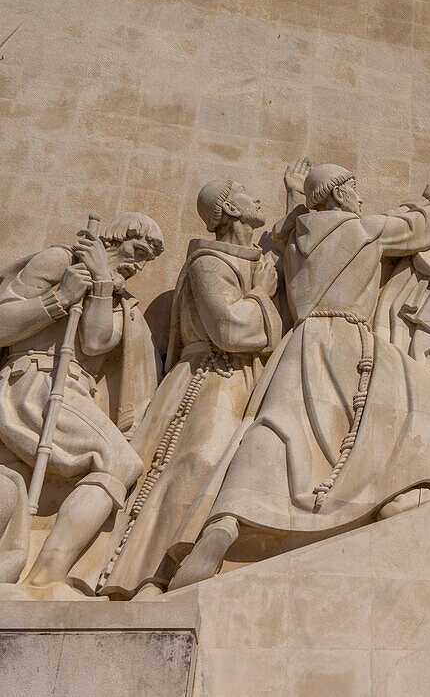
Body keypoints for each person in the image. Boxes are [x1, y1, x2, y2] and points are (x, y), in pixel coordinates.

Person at [169, 163, 430, 590]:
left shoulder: (296, 242)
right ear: (340, 195)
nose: (360, 198)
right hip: (348, 340)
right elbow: (419, 228)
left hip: (300, 342)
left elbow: (294, 229)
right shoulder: (365, 230)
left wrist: (294, 199)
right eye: (355, 190)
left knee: (277, 431)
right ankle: (399, 493)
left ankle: (221, 527)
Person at [91, 177, 284, 600]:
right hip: (208, 378)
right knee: (194, 464)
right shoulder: (209, 263)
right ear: (231, 209)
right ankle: (146, 577)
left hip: (242, 379)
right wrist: (262, 294)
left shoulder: (250, 261)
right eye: (251, 194)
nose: (259, 197)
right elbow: (230, 329)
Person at [0, 213, 162, 599]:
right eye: (136, 251)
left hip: (72, 390)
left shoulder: (118, 299)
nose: (137, 265)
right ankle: (47, 577)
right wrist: (59, 298)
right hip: (35, 380)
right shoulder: (59, 261)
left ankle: (39, 573)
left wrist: (102, 286)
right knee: (120, 462)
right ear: (112, 239)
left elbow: (93, 342)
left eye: (147, 261)